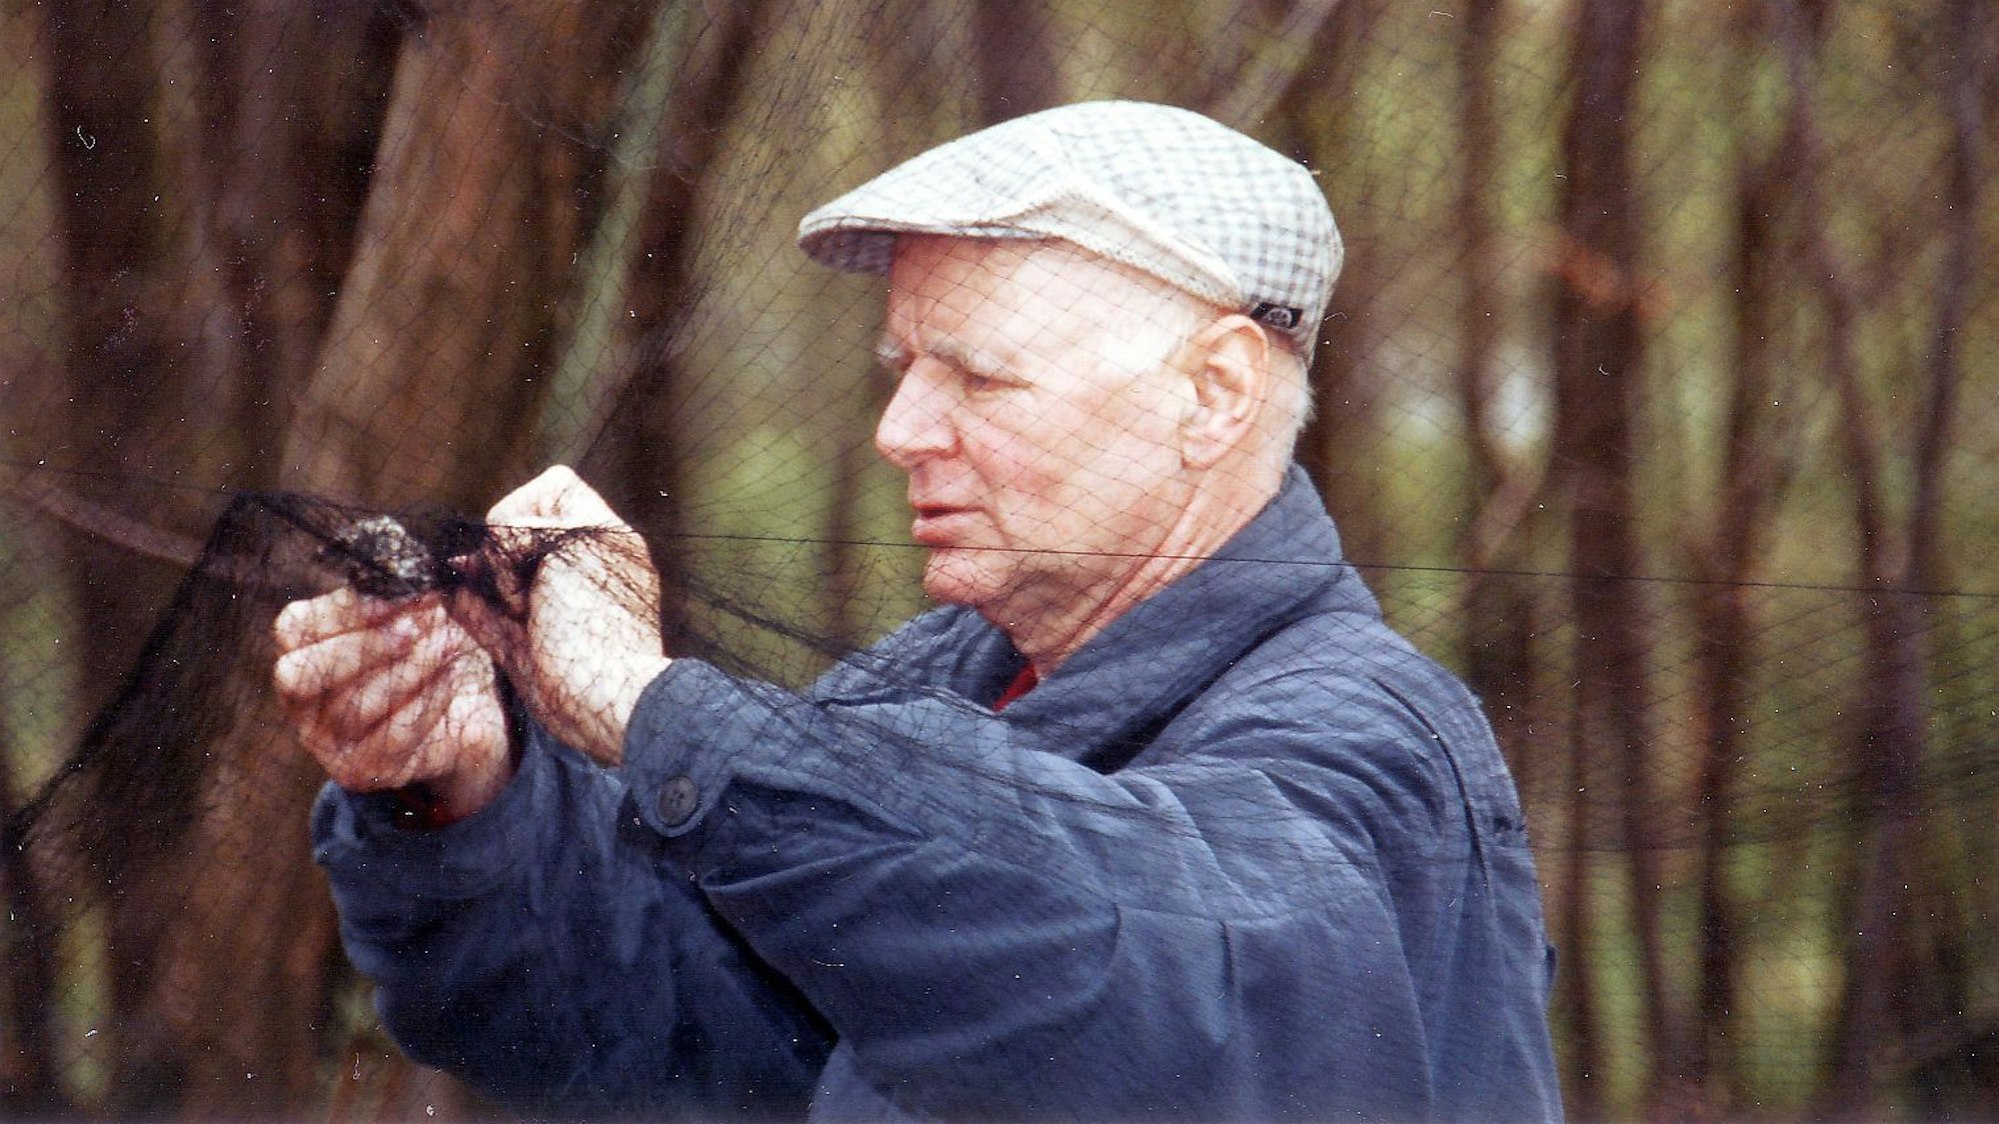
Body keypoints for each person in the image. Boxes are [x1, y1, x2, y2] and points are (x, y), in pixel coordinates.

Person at [274, 101, 1562, 1121]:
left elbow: (1155, 997)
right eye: (903, 370)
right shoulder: (940, 681)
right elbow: (663, 1037)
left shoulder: (1373, 745)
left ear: (1215, 395)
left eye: (981, 377)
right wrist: (465, 798)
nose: (900, 431)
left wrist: (653, 708)